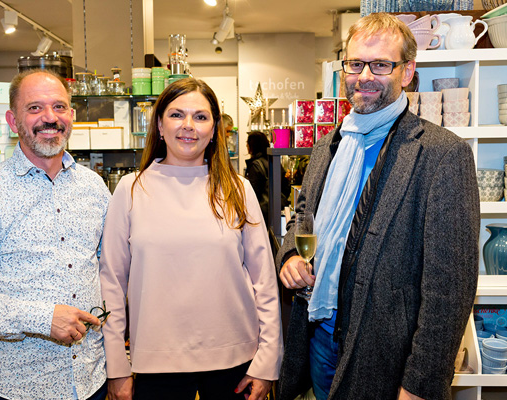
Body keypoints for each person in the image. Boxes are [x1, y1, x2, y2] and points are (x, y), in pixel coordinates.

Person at [276, 13, 479, 400]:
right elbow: (302, 218)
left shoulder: (442, 154)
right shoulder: (329, 145)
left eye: (381, 65)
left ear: (407, 71)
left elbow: (450, 291)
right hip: (320, 337)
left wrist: (420, 384)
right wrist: (290, 256)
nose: (365, 76)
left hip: (387, 358)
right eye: (355, 64)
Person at [100, 78, 283, 400]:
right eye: (176, 115)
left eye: (200, 117)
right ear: (159, 125)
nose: (188, 125)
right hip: (156, 362)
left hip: (236, 360)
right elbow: (111, 283)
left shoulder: (238, 189)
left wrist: (267, 361)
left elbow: (264, 282)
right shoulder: (131, 189)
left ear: (214, 130)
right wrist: (116, 366)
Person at [0, 69, 111, 400]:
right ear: (12, 120)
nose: (50, 118)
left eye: (59, 107)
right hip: (18, 388)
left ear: (72, 115)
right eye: (35, 108)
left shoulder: (94, 188)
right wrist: (43, 319)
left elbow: (108, 272)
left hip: (91, 380)